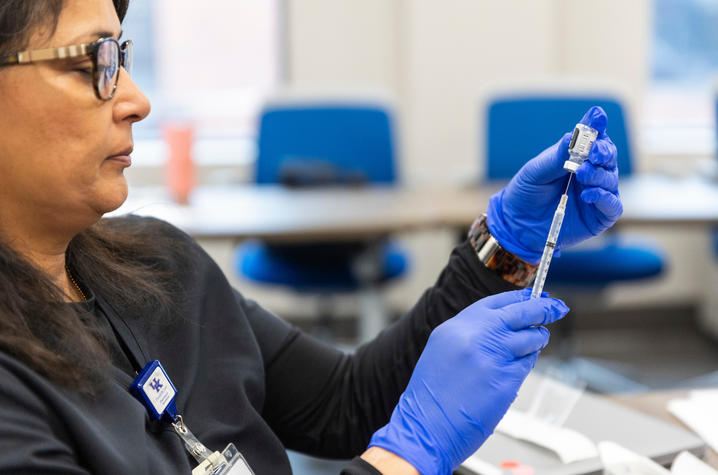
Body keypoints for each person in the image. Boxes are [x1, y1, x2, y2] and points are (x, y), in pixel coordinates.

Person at [0, 1, 621, 474]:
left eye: (124, 58)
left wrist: (507, 245)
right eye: (95, 62)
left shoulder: (161, 266)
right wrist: (406, 456)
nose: (136, 100)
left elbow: (346, 404)